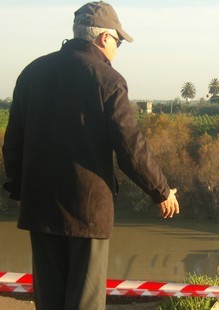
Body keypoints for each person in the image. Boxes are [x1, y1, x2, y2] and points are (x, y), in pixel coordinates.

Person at [2, 2, 180, 309]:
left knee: (48, 299)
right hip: (87, 212)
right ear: (103, 39)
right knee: (84, 301)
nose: (118, 48)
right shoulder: (108, 80)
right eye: (118, 41)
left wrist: (19, 188)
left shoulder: (32, 73)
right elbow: (131, 147)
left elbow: (13, 142)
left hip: (40, 207)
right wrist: (161, 191)